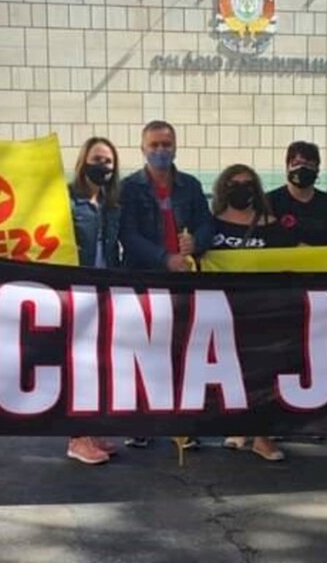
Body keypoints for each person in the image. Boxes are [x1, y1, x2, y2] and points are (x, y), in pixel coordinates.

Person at [118, 120, 213, 450]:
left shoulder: (190, 185)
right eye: (154, 144)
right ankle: (142, 422)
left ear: (176, 147)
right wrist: (164, 258)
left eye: (167, 144)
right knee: (144, 352)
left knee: (182, 352)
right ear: (142, 148)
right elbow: (127, 235)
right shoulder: (129, 188)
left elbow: (206, 224)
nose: (161, 150)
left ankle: (182, 424)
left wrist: (195, 243)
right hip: (145, 278)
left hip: (184, 281)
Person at [211, 164, 296, 462]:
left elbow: (293, 261)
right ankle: (238, 427)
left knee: (264, 371)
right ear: (223, 187)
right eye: (234, 183)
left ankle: (262, 436)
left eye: (248, 184)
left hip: (263, 312)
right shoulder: (211, 225)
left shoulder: (271, 224)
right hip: (225, 311)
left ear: (256, 189)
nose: (241, 188)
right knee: (233, 371)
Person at [64, 137, 122, 465]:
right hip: (76, 291)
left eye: (109, 162)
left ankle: (93, 431)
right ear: (84, 160)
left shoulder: (112, 204)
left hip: (105, 291)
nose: (103, 167)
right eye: (98, 159)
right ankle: (77, 438)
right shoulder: (67, 199)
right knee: (78, 367)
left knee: (99, 366)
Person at [267, 141, 327, 246]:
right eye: (296, 164)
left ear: (317, 170)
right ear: (287, 167)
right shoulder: (269, 201)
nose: (302, 168)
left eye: (309, 164)